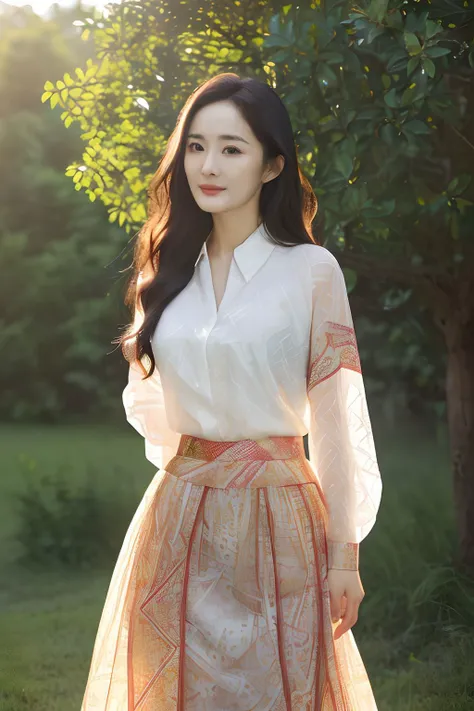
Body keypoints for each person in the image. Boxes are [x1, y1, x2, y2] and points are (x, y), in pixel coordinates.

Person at [81, 72, 383, 710]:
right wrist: (197, 466)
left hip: (281, 521)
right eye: (195, 146)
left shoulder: (310, 271)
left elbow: (336, 418)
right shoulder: (166, 269)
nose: (208, 165)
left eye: (231, 148)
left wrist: (344, 557)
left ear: (273, 165)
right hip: (178, 517)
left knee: (273, 691)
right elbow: (148, 402)